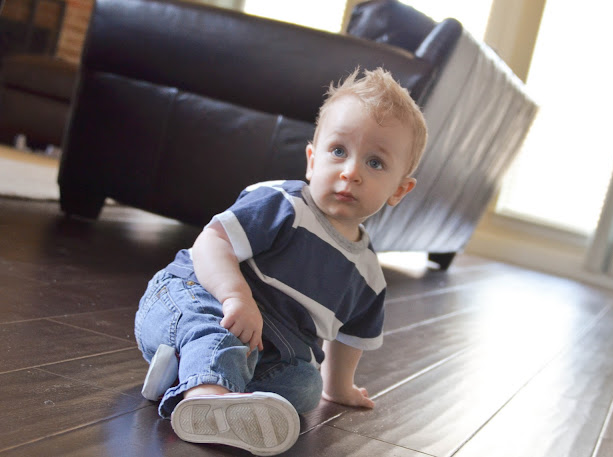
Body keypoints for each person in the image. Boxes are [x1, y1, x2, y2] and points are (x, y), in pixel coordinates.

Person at [134, 67, 428, 456]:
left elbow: (349, 338)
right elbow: (211, 242)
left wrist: (338, 387)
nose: (350, 172)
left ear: (400, 190)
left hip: (262, 346)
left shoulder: (369, 276)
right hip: (195, 298)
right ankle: (205, 395)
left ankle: (185, 378)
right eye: (338, 151)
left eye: (375, 163)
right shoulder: (283, 205)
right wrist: (235, 296)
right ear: (312, 160)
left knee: (305, 385)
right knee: (218, 334)